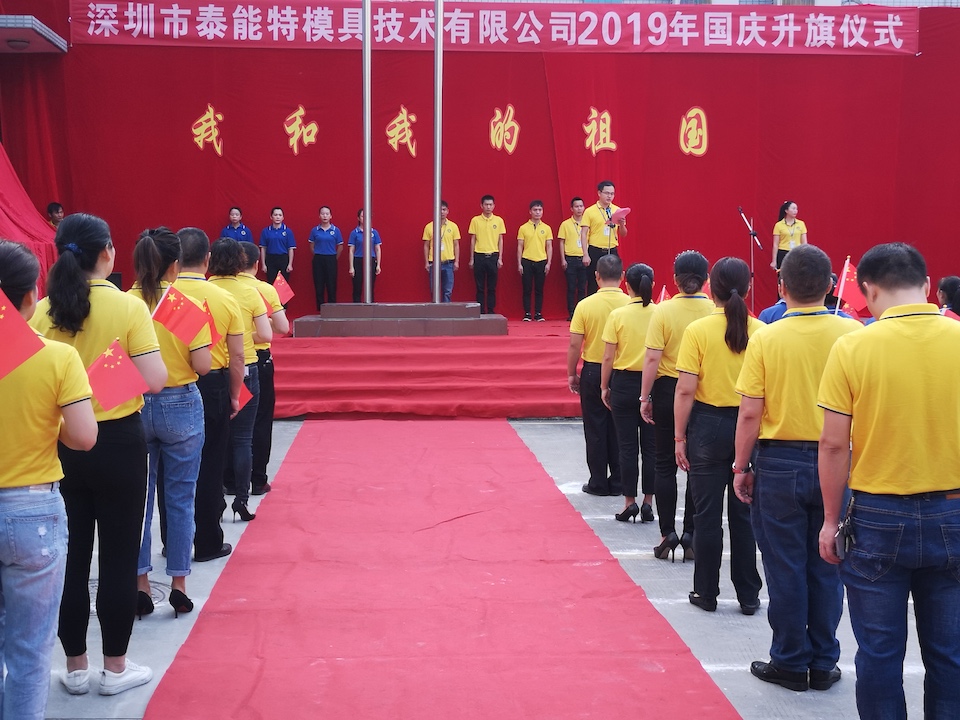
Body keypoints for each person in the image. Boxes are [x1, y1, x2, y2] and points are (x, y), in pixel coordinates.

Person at [818, 243, 960, 718]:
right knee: (951, 655)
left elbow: (834, 445)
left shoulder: (853, 346)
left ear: (868, 291)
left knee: (879, 654)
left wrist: (831, 520)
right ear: (928, 286)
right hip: (954, 510)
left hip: (878, 515)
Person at [30, 213, 167, 696]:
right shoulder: (128, 306)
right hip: (119, 443)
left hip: (61, 445)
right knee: (119, 556)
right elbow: (155, 379)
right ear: (107, 251)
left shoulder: (41, 311)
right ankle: (115, 668)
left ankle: (74, 667)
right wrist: (103, 387)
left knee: (69, 559)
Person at [732, 245, 861, 692]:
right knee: (830, 563)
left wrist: (741, 465)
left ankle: (789, 660)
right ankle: (824, 661)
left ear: (781, 286)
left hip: (780, 462)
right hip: (840, 460)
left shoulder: (767, 336)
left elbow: (750, 412)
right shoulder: (853, 333)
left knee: (784, 566)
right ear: (830, 285)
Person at [0, 240, 97, 719]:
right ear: (30, 295)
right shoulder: (56, 357)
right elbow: (83, 437)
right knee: (30, 651)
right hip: (31, 510)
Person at [128, 228, 211, 619]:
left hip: (134, 404)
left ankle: (141, 584)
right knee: (180, 499)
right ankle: (178, 584)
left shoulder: (125, 303)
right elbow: (203, 365)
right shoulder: (183, 306)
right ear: (175, 265)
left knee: (138, 501)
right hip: (181, 404)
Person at [673, 257, 763, 613]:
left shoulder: (698, 331)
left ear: (711, 287)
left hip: (708, 426)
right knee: (745, 516)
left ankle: (706, 592)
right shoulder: (762, 331)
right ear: (748, 287)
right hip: (751, 426)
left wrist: (679, 437)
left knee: (707, 515)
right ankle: (749, 594)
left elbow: (685, 390)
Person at [176, 228, 245, 562]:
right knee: (211, 465)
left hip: (168, 386)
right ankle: (207, 542)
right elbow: (238, 356)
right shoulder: (224, 298)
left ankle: (173, 541)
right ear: (207, 259)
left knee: (171, 470)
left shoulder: (162, 296)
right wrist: (234, 395)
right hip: (212, 384)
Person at [640, 251, 713, 562]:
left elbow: (652, 358)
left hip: (668, 388)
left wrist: (645, 397)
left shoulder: (664, 310)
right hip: (703, 391)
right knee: (698, 465)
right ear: (706, 280)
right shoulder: (714, 309)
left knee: (663, 463)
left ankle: (666, 533)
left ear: (675, 280)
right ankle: (691, 533)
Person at [209, 237, 272, 522]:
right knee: (243, 438)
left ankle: (216, 497)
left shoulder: (205, 290)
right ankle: (242, 500)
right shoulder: (250, 292)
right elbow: (266, 334)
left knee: (214, 439)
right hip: (245, 367)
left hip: (211, 371)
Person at [567, 254, 629, 496]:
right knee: (620, 428)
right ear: (622, 276)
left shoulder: (585, 305)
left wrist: (571, 374)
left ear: (596, 276)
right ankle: (620, 481)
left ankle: (598, 481)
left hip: (593, 369)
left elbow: (575, 344)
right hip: (622, 372)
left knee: (594, 427)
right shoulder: (630, 304)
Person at [600, 263, 657, 523]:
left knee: (627, 446)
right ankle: (648, 502)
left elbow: (608, 356)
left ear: (627, 284)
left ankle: (629, 502)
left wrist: (604, 386)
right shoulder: (660, 313)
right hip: (653, 383)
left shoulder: (618, 315)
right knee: (652, 447)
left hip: (623, 383)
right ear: (652, 285)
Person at [238, 241, 290, 494]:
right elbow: (282, 327)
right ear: (257, 264)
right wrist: (263, 322)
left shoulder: (216, 288)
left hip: (226, 359)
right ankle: (258, 478)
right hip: (257, 359)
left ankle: (230, 478)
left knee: (231, 420)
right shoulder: (264, 289)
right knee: (259, 420)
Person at [580, 181, 627, 295]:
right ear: (599, 193)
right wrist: (585, 254)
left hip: (612, 249)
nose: (609, 196)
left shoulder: (617, 210)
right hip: (595, 250)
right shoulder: (590, 211)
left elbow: (623, 234)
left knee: (614, 279)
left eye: (612, 194)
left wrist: (622, 225)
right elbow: (584, 233)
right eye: (607, 193)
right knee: (592, 282)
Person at [517, 200, 553, 321]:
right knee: (526, 288)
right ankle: (527, 313)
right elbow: (520, 246)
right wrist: (519, 263)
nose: (537, 212)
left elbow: (549, 246)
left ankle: (538, 313)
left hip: (541, 260)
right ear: (530, 211)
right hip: (526, 260)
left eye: (540, 210)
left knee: (539, 289)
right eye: (535, 210)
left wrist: (548, 263)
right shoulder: (523, 227)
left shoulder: (547, 228)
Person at [468, 195, 504, 314]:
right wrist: (472, 258)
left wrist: (500, 258)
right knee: (479, 286)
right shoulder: (475, 220)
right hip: (479, 256)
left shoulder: (498, 220)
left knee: (492, 286)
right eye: (486, 204)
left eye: (490, 204)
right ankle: (481, 310)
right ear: (481, 206)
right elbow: (473, 239)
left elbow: (500, 240)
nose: (488, 207)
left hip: (493, 256)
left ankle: (491, 309)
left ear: (494, 206)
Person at [423, 200, 460, 303]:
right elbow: (426, 245)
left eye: (444, 210)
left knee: (447, 290)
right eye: (439, 210)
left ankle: (446, 310)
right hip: (434, 263)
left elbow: (456, 245)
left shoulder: (453, 226)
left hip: (448, 263)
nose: (442, 212)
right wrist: (426, 262)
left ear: (448, 211)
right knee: (434, 290)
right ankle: (435, 309)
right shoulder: (429, 226)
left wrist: (457, 261)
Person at [558, 196, 588, 321]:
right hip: (570, 259)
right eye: (576, 206)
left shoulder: (587, 223)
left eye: (581, 206)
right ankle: (571, 313)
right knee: (571, 287)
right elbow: (561, 242)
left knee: (582, 287)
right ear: (571, 209)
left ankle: (581, 314)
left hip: (584, 259)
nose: (579, 209)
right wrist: (563, 259)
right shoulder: (565, 224)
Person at [308, 206, 343, 309]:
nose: (325, 216)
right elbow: (311, 245)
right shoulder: (315, 230)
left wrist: (334, 257)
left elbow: (340, 246)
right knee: (319, 284)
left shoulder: (336, 230)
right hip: (318, 259)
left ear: (331, 216)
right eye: (322, 214)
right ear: (319, 216)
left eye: (327, 214)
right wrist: (317, 254)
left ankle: (332, 308)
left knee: (331, 284)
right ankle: (320, 308)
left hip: (331, 259)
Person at [348, 208, 382, 303]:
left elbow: (378, 249)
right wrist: (351, 267)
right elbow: (351, 250)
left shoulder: (374, 233)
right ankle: (357, 308)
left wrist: (378, 265)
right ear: (359, 218)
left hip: (371, 261)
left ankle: (371, 308)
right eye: (363, 216)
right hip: (358, 260)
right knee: (357, 286)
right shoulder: (354, 233)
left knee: (370, 286)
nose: (365, 218)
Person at [258, 206, 295, 284]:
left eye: (280, 215)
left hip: (283, 259)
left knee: (283, 284)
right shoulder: (265, 231)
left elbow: (290, 249)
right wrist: (263, 264)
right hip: (270, 259)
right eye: (275, 215)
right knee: (271, 283)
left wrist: (290, 264)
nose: (278, 217)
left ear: (283, 217)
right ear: (271, 217)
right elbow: (263, 248)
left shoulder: (288, 231)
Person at [771, 200, 807, 271]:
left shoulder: (801, 224)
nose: (795, 211)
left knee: (797, 274)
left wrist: (804, 255)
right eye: (793, 208)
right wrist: (774, 260)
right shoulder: (778, 225)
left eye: (796, 209)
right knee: (783, 274)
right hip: (783, 252)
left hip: (797, 252)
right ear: (786, 210)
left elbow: (804, 242)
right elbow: (775, 244)